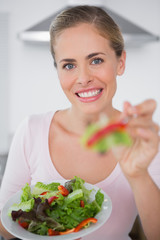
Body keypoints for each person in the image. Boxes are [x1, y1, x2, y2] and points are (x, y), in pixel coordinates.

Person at [0, 5, 160, 240]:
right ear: (58, 71)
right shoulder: (32, 131)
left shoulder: (142, 140)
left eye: (96, 60)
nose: (83, 78)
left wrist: (138, 175)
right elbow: (6, 229)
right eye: (69, 65)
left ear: (120, 62)